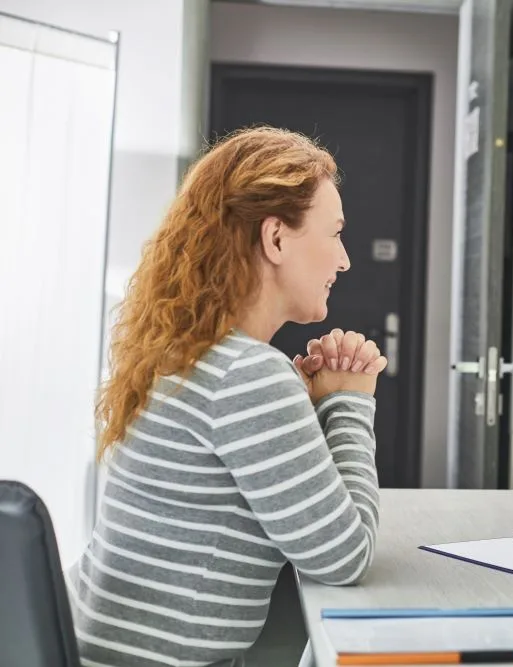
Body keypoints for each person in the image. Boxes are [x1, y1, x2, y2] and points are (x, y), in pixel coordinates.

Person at [67, 127, 387, 667]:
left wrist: (306, 408)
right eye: (334, 234)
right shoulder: (248, 375)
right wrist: (350, 404)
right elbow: (344, 556)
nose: (344, 260)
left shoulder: (182, 351)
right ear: (276, 239)